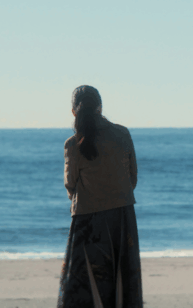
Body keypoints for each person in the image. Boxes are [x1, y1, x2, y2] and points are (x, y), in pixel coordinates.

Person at [58, 85, 143, 308]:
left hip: (87, 221)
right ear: (100, 107)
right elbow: (132, 178)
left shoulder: (72, 144)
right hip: (122, 217)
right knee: (122, 283)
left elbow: (70, 185)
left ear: (73, 111)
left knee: (83, 286)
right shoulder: (122, 134)